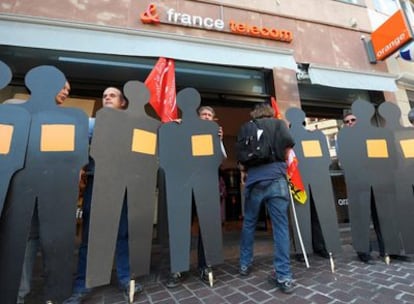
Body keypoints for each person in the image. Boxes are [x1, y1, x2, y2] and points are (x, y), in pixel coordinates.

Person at [63, 87, 142, 304]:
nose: (107, 97)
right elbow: (78, 146)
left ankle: (125, 279)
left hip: (123, 186)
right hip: (97, 184)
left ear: (123, 103)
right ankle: (82, 285)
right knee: (90, 237)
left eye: (112, 95)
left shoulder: (132, 125)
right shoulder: (91, 123)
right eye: (105, 95)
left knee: (123, 234)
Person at [16, 81, 71, 304]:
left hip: (50, 195)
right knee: (20, 241)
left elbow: (64, 159)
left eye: (69, 89)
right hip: (20, 192)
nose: (66, 92)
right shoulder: (18, 110)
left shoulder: (65, 120)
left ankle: (36, 294)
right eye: (63, 87)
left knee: (39, 241)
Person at [238, 103, 295, 294]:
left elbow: (242, 158)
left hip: (254, 180)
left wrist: (244, 173)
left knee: (249, 223)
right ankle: (284, 276)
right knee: (280, 227)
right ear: (270, 113)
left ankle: (245, 264)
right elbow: (288, 150)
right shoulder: (279, 124)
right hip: (277, 178)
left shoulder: (247, 126)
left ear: (254, 113)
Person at [166, 105, 226, 288]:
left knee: (206, 228)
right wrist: (174, 127)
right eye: (203, 114)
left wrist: (219, 140)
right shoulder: (183, 129)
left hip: (206, 186)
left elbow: (221, 157)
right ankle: (179, 268)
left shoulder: (215, 134)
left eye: (210, 115)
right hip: (184, 185)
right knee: (182, 226)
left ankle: (204, 266)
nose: (206, 117)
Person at [341, 112, 384, 264]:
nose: (350, 123)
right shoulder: (344, 139)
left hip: (375, 182)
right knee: (361, 219)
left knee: (380, 217)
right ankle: (363, 252)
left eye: (353, 120)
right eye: (347, 121)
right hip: (357, 184)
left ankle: (386, 249)